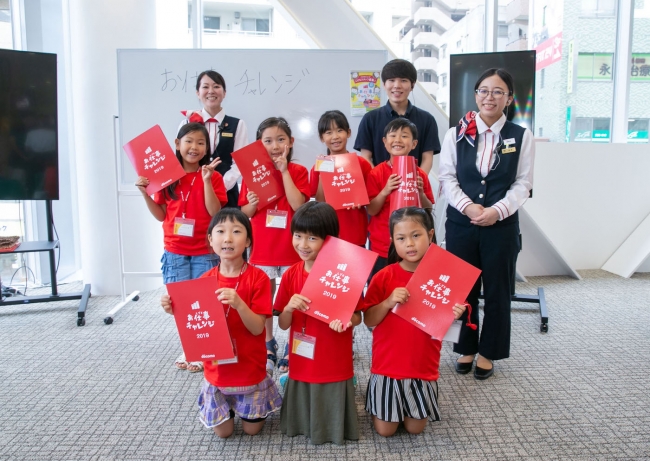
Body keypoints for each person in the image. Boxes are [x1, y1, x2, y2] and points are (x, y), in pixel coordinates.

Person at [438, 68, 535, 380]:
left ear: (508, 98)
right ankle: (465, 347)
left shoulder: (521, 136)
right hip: (461, 225)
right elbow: (447, 177)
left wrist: (498, 210)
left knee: (497, 291)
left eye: (497, 91)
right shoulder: (455, 133)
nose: (489, 97)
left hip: (501, 227)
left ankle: (489, 351)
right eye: (483, 90)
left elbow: (523, 183)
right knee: (462, 290)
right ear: (475, 95)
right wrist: (467, 206)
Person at [160, 209, 282, 438]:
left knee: (252, 430)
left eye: (236, 232)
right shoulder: (204, 281)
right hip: (218, 371)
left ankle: (250, 405)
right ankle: (228, 406)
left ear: (247, 241)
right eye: (220, 232)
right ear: (210, 239)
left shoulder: (259, 278)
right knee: (223, 433)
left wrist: (239, 303)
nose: (227, 238)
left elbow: (258, 328)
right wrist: (173, 309)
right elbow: (195, 325)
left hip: (249, 368)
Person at [363, 207, 468, 437]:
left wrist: (454, 313)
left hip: (422, 366)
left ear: (430, 235)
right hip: (389, 366)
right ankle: (377, 401)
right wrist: (388, 302)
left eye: (416, 235)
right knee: (385, 431)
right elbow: (368, 320)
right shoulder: (385, 276)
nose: (409, 243)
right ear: (392, 241)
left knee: (415, 428)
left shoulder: (444, 277)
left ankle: (396, 406)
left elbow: (444, 326)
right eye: (401, 238)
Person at [136, 122, 227, 373]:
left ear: (207, 147)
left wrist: (207, 180)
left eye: (200, 142)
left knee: (204, 303)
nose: (194, 147)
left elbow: (214, 212)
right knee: (181, 302)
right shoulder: (166, 178)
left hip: (204, 251)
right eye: (189, 141)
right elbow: (160, 214)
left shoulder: (214, 176)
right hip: (174, 249)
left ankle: (203, 348)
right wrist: (145, 193)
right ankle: (189, 347)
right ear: (177, 145)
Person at [274, 201, 362, 445]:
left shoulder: (346, 272)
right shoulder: (291, 273)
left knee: (332, 380)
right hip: (302, 354)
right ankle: (302, 423)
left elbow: (358, 317)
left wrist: (346, 321)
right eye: (298, 235)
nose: (303, 244)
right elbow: (282, 324)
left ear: (330, 239)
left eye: (312, 238)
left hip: (333, 352)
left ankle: (333, 428)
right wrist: (289, 308)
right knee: (303, 378)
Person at [239, 117, 310, 376]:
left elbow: (298, 206)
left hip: (292, 248)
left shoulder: (299, 171)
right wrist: (252, 202)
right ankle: (268, 343)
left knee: (295, 298)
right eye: (268, 141)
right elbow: (245, 212)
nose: (275, 145)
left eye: (281, 139)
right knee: (264, 301)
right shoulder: (251, 173)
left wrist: (284, 171)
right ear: (259, 145)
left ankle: (294, 344)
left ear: (291, 143)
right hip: (263, 248)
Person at [366, 118, 434, 279]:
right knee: (381, 286)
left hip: (413, 247)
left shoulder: (420, 174)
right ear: (384, 141)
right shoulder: (376, 173)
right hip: (382, 246)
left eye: (404, 136)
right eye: (393, 135)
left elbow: (428, 208)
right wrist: (385, 191)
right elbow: (371, 209)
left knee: (411, 288)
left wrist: (421, 193)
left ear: (414, 143)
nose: (398, 140)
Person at [353, 59, 440, 173]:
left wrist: (416, 182)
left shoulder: (427, 119)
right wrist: (380, 183)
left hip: (412, 186)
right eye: (391, 80)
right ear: (384, 84)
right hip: (380, 188)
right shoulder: (370, 119)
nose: (397, 86)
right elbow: (366, 157)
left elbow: (427, 158)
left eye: (403, 80)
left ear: (412, 85)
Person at [180, 70, 248, 208]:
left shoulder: (237, 124)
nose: (211, 91)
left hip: (227, 193)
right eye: (205, 87)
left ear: (224, 93)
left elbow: (241, 163)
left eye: (216, 86)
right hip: (193, 192)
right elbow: (180, 159)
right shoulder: (187, 124)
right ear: (198, 93)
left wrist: (220, 186)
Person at [309, 110, 372, 247]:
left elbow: (372, 199)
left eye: (339, 130)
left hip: (356, 231)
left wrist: (361, 199)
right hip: (329, 232)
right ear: (321, 138)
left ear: (348, 133)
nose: (335, 137)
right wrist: (322, 170)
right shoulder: (317, 167)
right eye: (328, 132)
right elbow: (320, 201)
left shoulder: (361, 164)